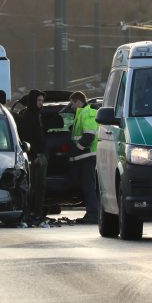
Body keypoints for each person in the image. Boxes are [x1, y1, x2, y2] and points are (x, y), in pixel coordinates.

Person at [68, 91, 99, 224]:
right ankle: (92, 212)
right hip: (85, 157)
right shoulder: (82, 113)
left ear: (78, 101)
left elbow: (89, 136)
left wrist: (76, 149)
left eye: (72, 103)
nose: (71, 107)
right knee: (88, 187)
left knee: (89, 187)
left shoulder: (87, 112)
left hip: (89, 156)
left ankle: (93, 214)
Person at [19, 89, 47, 225]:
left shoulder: (38, 115)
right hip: (33, 157)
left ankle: (37, 212)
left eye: (42, 101)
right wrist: (34, 154)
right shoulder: (29, 116)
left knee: (40, 187)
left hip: (40, 155)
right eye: (38, 100)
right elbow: (28, 137)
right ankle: (32, 213)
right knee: (34, 187)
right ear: (33, 101)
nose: (41, 103)